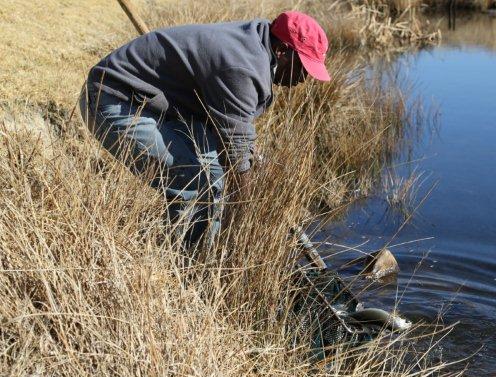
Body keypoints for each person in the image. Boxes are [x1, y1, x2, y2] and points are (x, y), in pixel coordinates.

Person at [80, 11, 330, 250]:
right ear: (282, 50)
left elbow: (235, 133)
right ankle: (184, 267)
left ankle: (203, 249)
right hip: (112, 98)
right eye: (304, 68)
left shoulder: (258, 42)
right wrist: (243, 213)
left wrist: (251, 163)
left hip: (154, 104)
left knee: (215, 178)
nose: (304, 79)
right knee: (195, 183)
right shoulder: (243, 67)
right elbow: (237, 150)